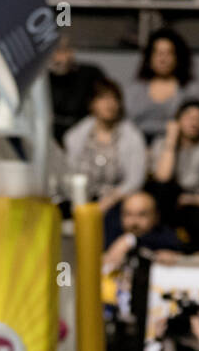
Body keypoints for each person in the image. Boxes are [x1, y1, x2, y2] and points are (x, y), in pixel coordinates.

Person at [63, 79, 147, 237]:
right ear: (92, 104)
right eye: (103, 98)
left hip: (116, 201)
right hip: (82, 199)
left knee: (113, 220)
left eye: (115, 99)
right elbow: (69, 174)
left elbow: (135, 180)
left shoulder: (132, 136)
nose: (110, 104)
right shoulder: (75, 136)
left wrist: (110, 200)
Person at [147, 99, 199, 252]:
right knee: (160, 190)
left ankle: (193, 251)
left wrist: (190, 199)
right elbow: (162, 177)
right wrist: (171, 141)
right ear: (177, 120)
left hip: (196, 203)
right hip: (167, 200)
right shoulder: (162, 142)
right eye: (189, 117)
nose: (195, 122)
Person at [123, 27, 198, 143]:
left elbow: (196, 124)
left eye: (169, 53)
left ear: (177, 57)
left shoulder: (190, 90)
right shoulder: (135, 89)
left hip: (176, 146)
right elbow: (125, 123)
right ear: (149, 58)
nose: (163, 59)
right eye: (158, 53)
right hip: (137, 145)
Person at [48, 34, 107, 144]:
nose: (56, 57)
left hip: (86, 134)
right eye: (52, 51)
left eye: (61, 51)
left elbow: (106, 101)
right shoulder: (41, 80)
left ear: (71, 52)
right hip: (50, 136)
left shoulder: (90, 74)